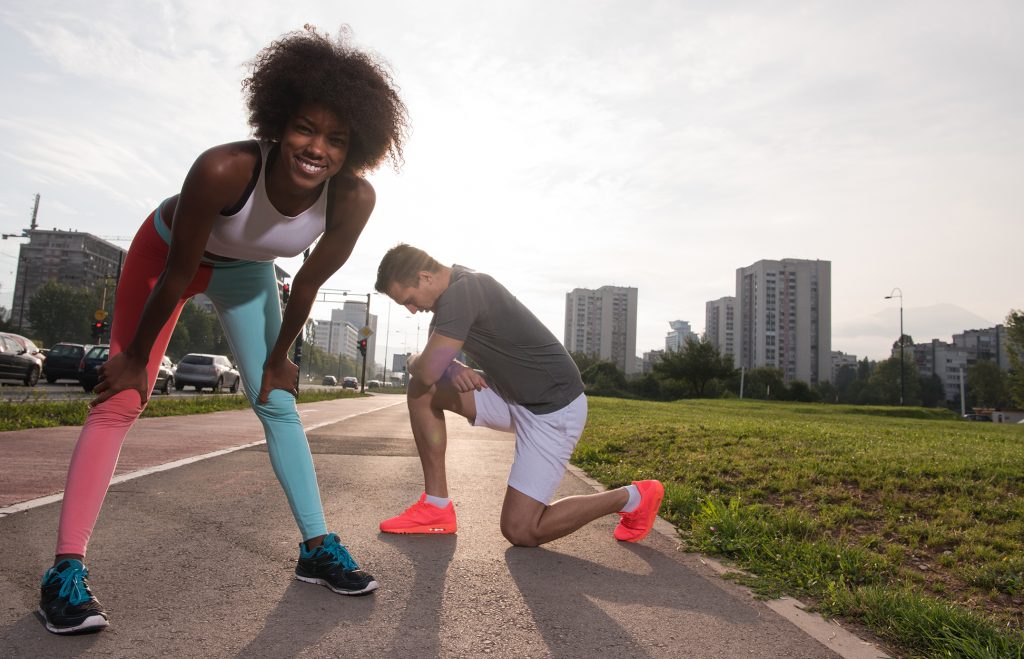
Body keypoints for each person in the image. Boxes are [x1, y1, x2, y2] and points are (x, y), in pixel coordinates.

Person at [38, 26, 408, 635]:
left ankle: (316, 548)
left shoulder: (353, 200)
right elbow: (179, 272)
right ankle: (64, 573)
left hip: (247, 275)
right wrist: (133, 358)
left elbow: (309, 284)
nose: (317, 148)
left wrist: (280, 357)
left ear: (354, 147)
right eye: (305, 129)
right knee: (122, 400)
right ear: (278, 123)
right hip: (164, 257)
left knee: (277, 400)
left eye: (336, 139)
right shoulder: (223, 168)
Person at [374, 244, 664, 547]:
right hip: (510, 396)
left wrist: (439, 366)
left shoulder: (464, 291)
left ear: (425, 277)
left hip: (554, 410)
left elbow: (427, 367)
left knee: (521, 530)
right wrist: (448, 366)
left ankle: (633, 497)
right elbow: (425, 368)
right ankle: (435, 507)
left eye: (408, 300)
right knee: (422, 391)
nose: (411, 309)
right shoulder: (449, 300)